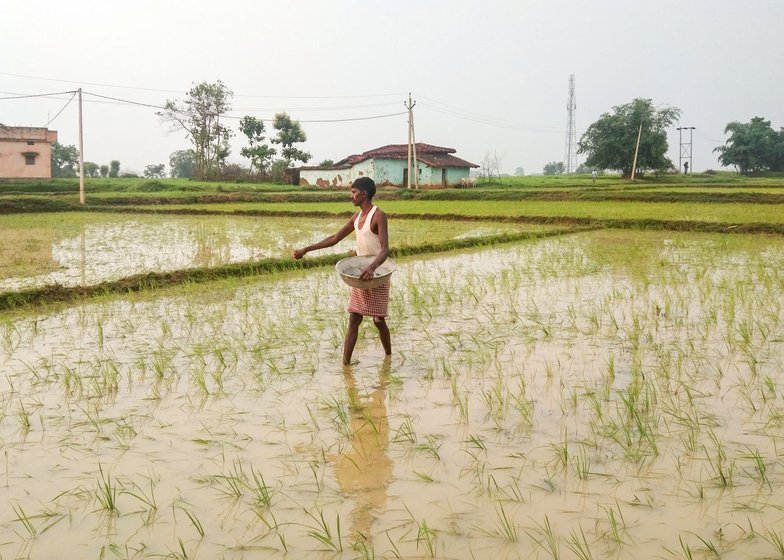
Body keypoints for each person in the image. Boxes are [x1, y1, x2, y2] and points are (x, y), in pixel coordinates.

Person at [293, 177, 391, 364]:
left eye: (354, 193)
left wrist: (372, 267)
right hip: (361, 275)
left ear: (364, 194)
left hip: (378, 273)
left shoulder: (378, 215)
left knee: (378, 320)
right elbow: (335, 237)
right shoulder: (356, 218)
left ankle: (388, 356)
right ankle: (345, 364)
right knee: (354, 318)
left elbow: (385, 250)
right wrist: (307, 249)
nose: (351, 196)